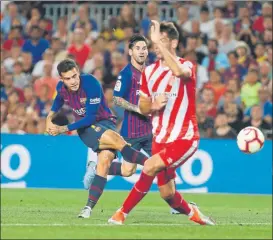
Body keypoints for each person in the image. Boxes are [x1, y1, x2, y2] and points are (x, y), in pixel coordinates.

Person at [108, 21, 215, 226]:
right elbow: (144, 106)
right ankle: (194, 213)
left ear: (174, 43)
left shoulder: (187, 65)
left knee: (149, 166)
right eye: (155, 43)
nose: (156, 46)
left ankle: (121, 214)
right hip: (160, 138)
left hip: (185, 136)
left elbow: (178, 72)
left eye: (162, 41)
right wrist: (153, 105)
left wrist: (162, 46)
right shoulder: (149, 72)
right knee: (167, 194)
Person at [46, 59, 158, 218]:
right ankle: (151, 164)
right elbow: (58, 102)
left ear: (78, 72)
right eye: (68, 78)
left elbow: (91, 116)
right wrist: (48, 119)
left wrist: (63, 129)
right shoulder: (61, 88)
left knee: (124, 169)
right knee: (119, 142)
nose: (73, 81)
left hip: (103, 122)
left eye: (75, 76)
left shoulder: (90, 83)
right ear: (62, 79)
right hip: (85, 129)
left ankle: (93, 173)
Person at [83, 34, 180, 214]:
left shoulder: (151, 72)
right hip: (132, 131)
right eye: (138, 48)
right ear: (130, 52)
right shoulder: (126, 74)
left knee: (163, 163)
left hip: (152, 130)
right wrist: (137, 109)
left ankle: (174, 204)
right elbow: (117, 99)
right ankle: (96, 167)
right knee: (128, 171)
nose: (142, 52)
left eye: (144, 48)